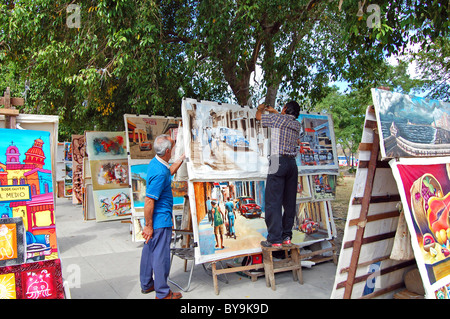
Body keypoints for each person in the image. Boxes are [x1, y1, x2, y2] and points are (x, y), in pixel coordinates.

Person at [140, 134, 185, 299]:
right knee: (161, 256)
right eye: (172, 148)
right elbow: (149, 201)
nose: (173, 151)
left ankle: (147, 284)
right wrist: (149, 226)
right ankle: (163, 293)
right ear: (167, 151)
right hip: (160, 220)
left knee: (149, 251)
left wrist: (181, 159)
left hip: (155, 219)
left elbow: (169, 172)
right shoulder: (159, 172)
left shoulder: (158, 163)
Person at [256, 101, 301, 248]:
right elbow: (284, 119)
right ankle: (286, 236)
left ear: (285, 109)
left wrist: (261, 108)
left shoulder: (278, 119)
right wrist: (276, 111)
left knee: (273, 201)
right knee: (289, 202)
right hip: (292, 164)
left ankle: (274, 239)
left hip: (277, 160)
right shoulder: (297, 125)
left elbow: (258, 117)